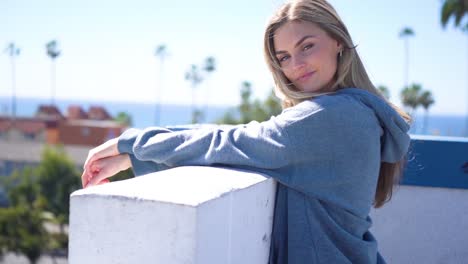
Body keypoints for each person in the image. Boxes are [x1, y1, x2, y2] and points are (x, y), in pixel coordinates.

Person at [81, 0, 411, 263]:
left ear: (338, 41)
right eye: (283, 56)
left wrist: (134, 144)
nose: (295, 64)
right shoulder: (358, 111)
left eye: (307, 46)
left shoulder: (334, 117)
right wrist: (133, 151)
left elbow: (233, 142)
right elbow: (244, 137)